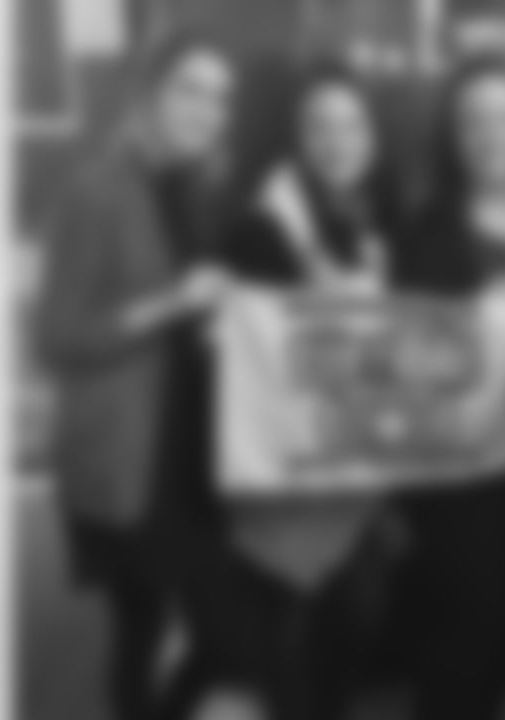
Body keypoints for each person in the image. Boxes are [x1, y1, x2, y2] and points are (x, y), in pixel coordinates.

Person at [162, 62, 405, 720]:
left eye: (352, 124)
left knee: (344, 629)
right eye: (319, 126)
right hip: (284, 482)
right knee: (286, 645)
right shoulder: (264, 226)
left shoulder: (366, 217)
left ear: (373, 135)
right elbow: (255, 352)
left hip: (345, 474)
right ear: (296, 137)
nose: (337, 141)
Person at [36, 31, 237, 720]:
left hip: (191, 451)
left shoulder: (196, 187)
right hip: (131, 462)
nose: (207, 110)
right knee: (143, 632)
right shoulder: (95, 190)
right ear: (147, 94)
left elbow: (190, 307)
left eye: (220, 98)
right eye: (190, 90)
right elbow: (56, 337)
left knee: (222, 639)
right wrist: (171, 303)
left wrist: (212, 320)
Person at [389, 56, 505, 720]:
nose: (492, 135)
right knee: (467, 626)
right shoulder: (424, 232)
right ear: (453, 137)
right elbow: (403, 363)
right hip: (460, 467)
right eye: (473, 121)